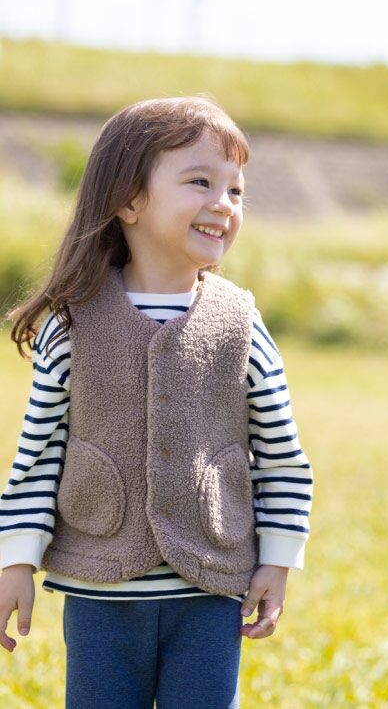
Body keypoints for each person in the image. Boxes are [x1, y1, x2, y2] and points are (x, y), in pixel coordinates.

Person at [0, 97, 313, 708]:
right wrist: (16, 562)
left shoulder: (242, 326)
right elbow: (37, 456)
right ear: (129, 200)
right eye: (201, 182)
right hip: (100, 596)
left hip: (209, 597)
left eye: (236, 191)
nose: (223, 203)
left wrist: (277, 561)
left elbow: (281, 459)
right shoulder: (72, 326)